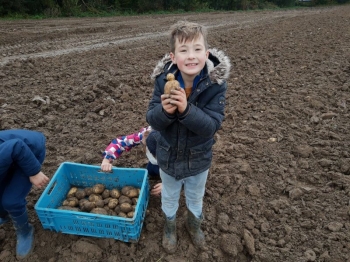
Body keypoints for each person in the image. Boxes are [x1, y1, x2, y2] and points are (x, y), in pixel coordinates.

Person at [146, 21, 231, 253]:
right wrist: (165, 112)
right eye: (184, 50)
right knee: (170, 195)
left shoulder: (215, 85)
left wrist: (186, 110)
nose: (191, 56)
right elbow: (152, 119)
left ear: (206, 53)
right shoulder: (163, 81)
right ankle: (170, 226)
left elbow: (212, 125)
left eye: (196, 49)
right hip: (169, 157)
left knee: (195, 195)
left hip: (199, 158)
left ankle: (194, 225)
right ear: (173, 57)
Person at [0, 129, 50, 259]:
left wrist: (34, 172)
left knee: (11, 200)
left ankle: (25, 231)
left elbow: (17, 146)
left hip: (29, 151)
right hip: (9, 158)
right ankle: (3, 215)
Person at [100, 126, 162, 196]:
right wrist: (107, 159)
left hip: (171, 168)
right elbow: (119, 142)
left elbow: (177, 171)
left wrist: (168, 185)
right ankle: (152, 174)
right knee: (150, 170)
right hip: (154, 163)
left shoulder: (175, 146)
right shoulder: (145, 135)